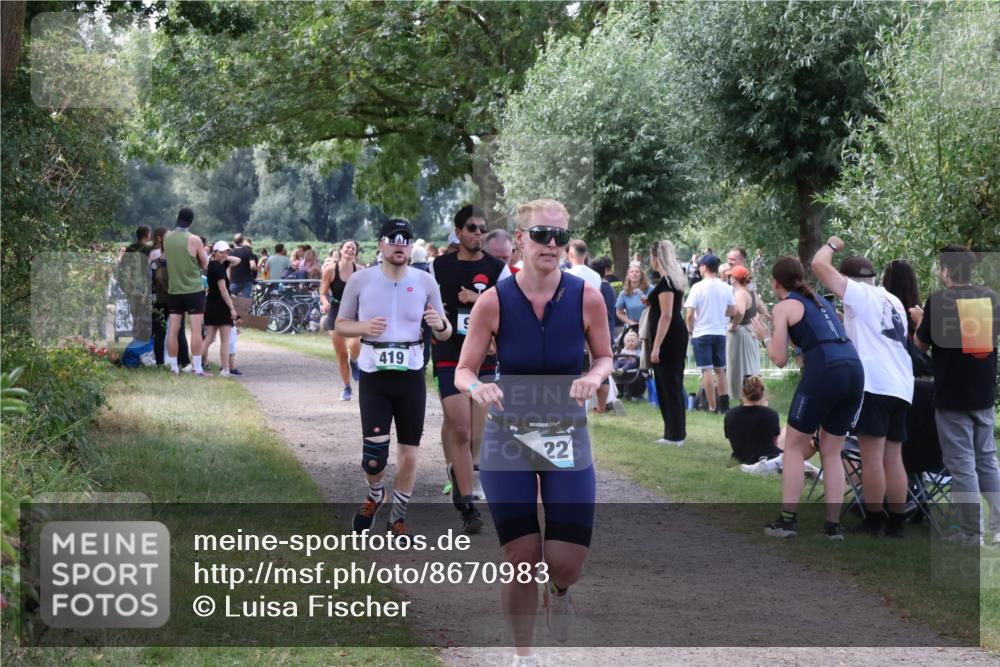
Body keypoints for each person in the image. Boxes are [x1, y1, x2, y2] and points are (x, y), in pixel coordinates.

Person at [454, 198, 612, 662]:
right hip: (510, 439)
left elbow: (603, 355)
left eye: (560, 236)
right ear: (519, 240)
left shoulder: (587, 296)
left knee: (565, 562)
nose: (552, 244)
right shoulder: (493, 301)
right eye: (542, 234)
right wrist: (478, 387)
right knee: (521, 560)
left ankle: (561, 591)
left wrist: (594, 377)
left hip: (565, 436)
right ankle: (524, 656)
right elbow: (463, 369)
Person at [336, 219, 452, 537]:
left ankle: (397, 518)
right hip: (374, 375)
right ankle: (375, 495)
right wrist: (363, 328)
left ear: (410, 246)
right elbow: (341, 323)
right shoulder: (361, 280)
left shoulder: (425, 281)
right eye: (393, 239)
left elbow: (446, 330)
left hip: (411, 375)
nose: (400, 245)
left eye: (406, 240)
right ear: (381, 245)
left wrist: (438, 323)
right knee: (373, 459)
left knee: (409, 454)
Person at [749, 256, 865, 540]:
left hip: (826, 370)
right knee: (831, 450)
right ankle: (832, 527)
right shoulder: (819, 301)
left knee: (794, 446)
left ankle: (787, 522)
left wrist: (765, 336)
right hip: (854, 369)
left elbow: (777, 358)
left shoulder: (784, 305)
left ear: (776, 283)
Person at [812, 238, 915, 538]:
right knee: (894, 457)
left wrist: (831, 245)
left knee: (872, 457)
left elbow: (819, 266)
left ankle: (873, 521)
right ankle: (896, 524)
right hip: (901, 384)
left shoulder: (859, 293)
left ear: (851, 282)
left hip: (875, 384)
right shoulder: (891, 299)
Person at [911, 245, 1000, 545]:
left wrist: (919, 320)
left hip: (952, 396)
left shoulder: (939, 300)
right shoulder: (989, 297)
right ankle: (998, 527)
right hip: (983, 392)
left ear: (947, 270)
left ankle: (971, 532)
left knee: (962, 464)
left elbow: (920, 346)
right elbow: (980, 338)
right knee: (987, 460)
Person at [431, 204, 511, 532]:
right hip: (449, 354)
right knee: (460, 429)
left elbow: (507, 309)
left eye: (482, 228)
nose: (478, 234)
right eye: (472, 228)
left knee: (477, 432)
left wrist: (475, 300)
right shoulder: (439, 267)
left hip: (484, 359)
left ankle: (458, 469)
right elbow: (428, 303)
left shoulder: (497, 269)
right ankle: (468, 505)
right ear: (459, 232)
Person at [731, 376, 821, 477]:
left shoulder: (730, 415)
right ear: (762, 393)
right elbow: (774, 441)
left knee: (789, 428)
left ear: (743, 393)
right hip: (767, 457)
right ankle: (802, 464)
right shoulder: (770, 414)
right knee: (814, 439)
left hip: (741, 456)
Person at [648, 240, 689, 445]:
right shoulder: (673, 281)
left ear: (657, 257)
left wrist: (656, 346)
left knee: (669, 385)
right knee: (670, 384)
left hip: (668, 338)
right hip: (675, 334)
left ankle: (675, 434)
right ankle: (674, 431)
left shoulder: (666, 283)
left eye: (651, 256)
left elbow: (666, 315)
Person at [684, 254, 736, 413]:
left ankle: (712, 406)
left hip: (702, 333)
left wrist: (690, 330)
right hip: (720, 332)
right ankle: (724, 405)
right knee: (721, 370)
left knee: (706, 370)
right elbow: (733, 310)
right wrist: (721, 313)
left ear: (704, 268)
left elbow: (690, 314)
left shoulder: (697, 287)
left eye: (700, 266)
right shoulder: (726, 287)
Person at [164, 208, 209, 375]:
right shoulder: (194, 239)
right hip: (193, 289)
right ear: (191, 221)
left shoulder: (167, 238)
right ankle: (197, 367)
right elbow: (204, 263)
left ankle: (174, 366)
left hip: (174, 290)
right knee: (196, 329)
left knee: (173, 330)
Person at [320, 240, 363, 401]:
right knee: (341, 353)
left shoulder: (360, 271)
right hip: (336, 311)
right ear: (341, 250)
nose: (350, 250)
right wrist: (325, 303)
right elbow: (323, 292)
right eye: (348, 247)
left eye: (354, 248)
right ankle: (347, 387)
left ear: (356, 253)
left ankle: (354, 361)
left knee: (355, 345)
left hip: (353, 311)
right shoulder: (331, 270)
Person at [882, 260, 932, 377]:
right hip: (909, 379)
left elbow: (917, 349)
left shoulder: (883, 308)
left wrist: (920, 320)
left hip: (888, 375)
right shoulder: (916, 310)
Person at [149, 227, 190, 369]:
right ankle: (184, 361)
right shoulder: (178, 264)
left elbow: (148, 285)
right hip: (176, 300)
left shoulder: (154, 264)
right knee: (179, 332)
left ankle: (159, 362)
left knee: (159, 333)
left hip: (158, 302)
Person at [202, 241, 241, 377]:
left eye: (227, 251)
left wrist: (224, 256)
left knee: (209, 338)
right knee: (225, 340)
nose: (225, 254)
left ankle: (194, 363)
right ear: (214, 252)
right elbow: (223, 290)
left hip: (211, 304)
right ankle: (225, 369)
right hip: (221, 305)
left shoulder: (215, 264)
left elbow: (237, 260)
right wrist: (232, 308)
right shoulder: (218, 268)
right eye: (221, 252)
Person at [726, 265, 762, 402]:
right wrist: (755, 324)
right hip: (750, 332)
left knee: (739, 366)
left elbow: (740, 312)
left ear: (734, 279)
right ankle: (754, 393)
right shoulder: (753, 293)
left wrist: (733, 326)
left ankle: (740, 394)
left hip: (740, 333)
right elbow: (763, 311)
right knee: (751, 365)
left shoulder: (740, 293)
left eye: (731, 276)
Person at [615, 262, 651, 328]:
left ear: (641, 275)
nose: (634, 274)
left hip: (649, 326)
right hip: (633, 328)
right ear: (628, 276)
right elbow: (619, 313)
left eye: (637, 272)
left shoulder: (650, 289)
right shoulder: (624, 293)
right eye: (631, 272)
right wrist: (632, 323)